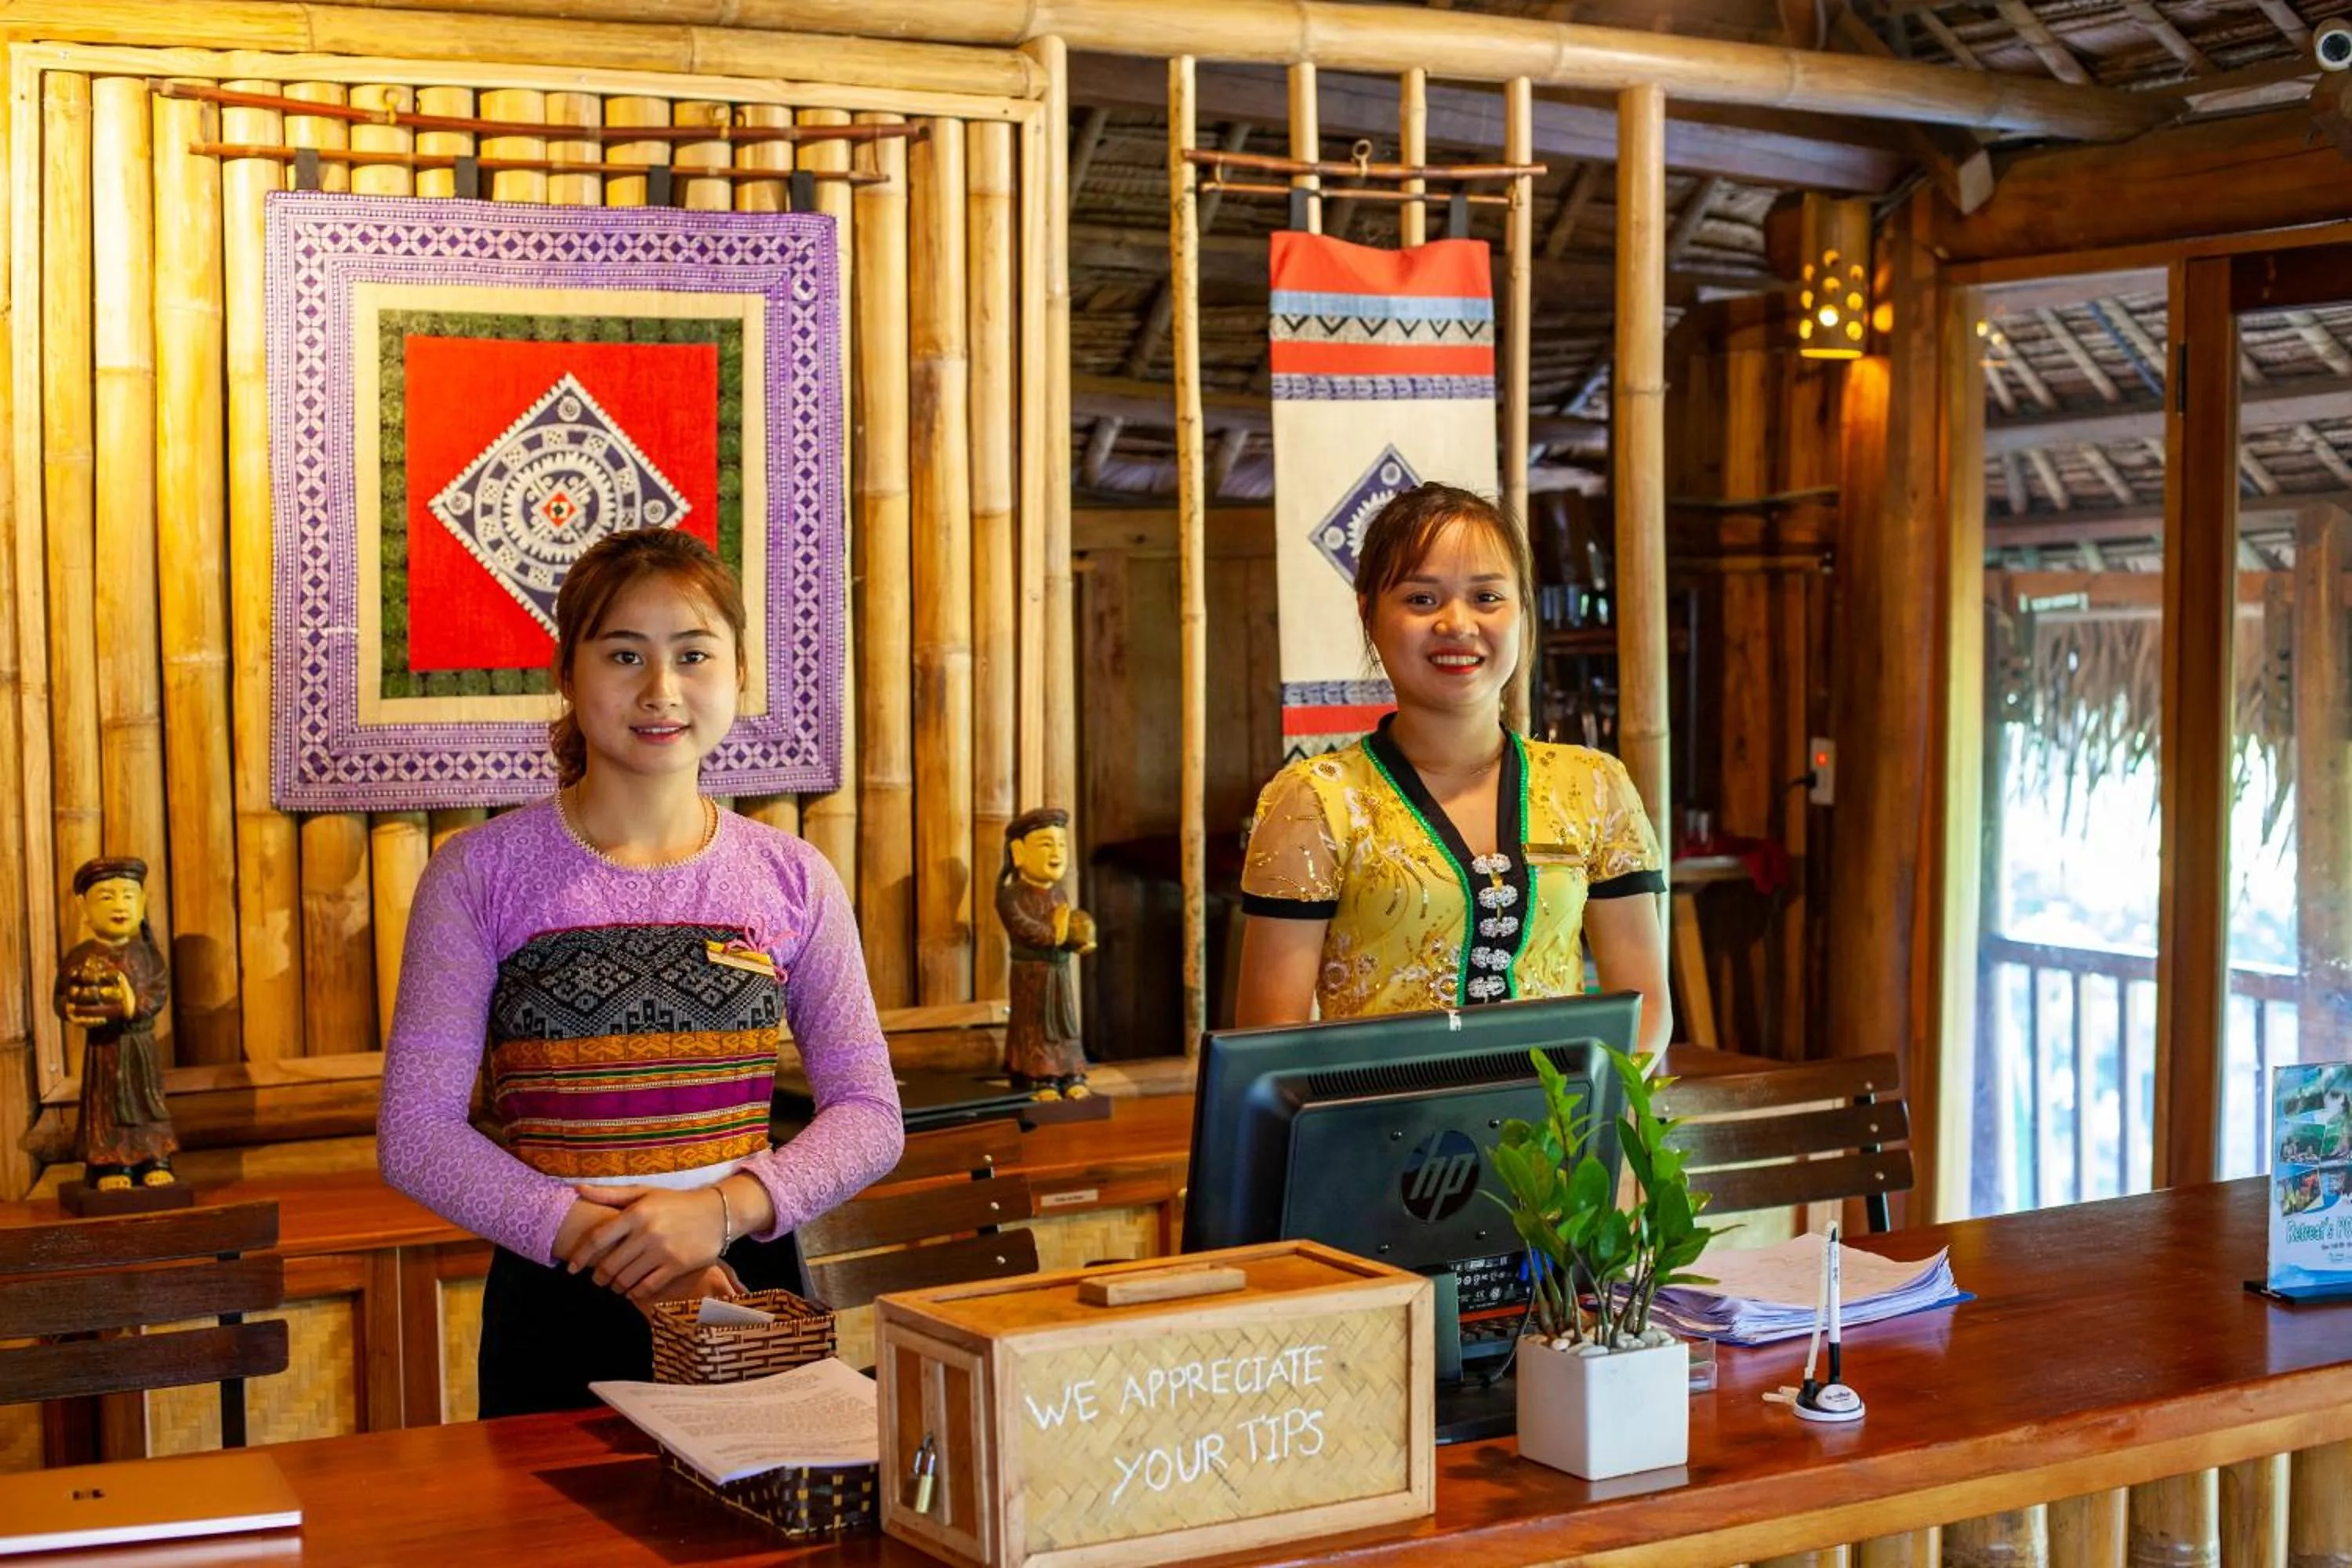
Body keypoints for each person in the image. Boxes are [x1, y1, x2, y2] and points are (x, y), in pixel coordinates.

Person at [379, 528, 902, 1417]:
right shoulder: (478, 873)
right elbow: (416, 1135)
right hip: (556, 1298)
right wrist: (621, 1248)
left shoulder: (792, 876)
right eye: (624, 654)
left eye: (693, 654)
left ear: (739, 673)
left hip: (745, 1292)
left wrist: (725, 1211)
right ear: (567, 673)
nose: (661, 689)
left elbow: (871, 1115)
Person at [1234, 482, 1672, 1054]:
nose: (1458, 623)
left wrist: (1588, 1100)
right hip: (1378, 1112)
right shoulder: (1314, 800)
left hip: (1561, 1112)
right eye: (1422, 599)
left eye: (1487, 597)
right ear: (1369, 614)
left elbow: (1645, 1009)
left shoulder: (1594, 785)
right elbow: (1271, 1040)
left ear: (1522, 611)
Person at [54, 857, 177, 1191]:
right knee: (106, 1105)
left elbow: (157, 993)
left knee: (147, 1102)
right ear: (84, 906)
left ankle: (156, 1158)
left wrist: (128, 1001)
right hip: (103, 1049)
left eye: (128, 896)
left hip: (139, 1048)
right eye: (107, 897)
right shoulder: (81, 956)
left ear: (143, 901)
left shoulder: (148, 955)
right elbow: (61, 998)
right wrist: (73, 1010)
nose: (119, 905)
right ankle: (111, 1163)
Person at [994, 808, 1097, 1099]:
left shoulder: (1059, 893)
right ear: (1018, 852)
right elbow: (1026, 929)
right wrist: (1059, 933)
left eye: (1062, 845)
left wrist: (1079, 939)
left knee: (1065, 1025)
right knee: (1036, 1026)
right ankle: (1040, 1077)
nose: (1056, 853)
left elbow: (1067, 926)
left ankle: (1070, 1073)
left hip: (1059, 974)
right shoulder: (1011, 896)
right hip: (1032, 976)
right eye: (1046, 844)